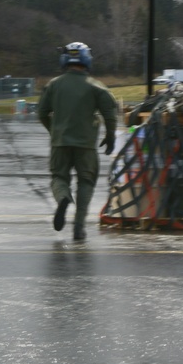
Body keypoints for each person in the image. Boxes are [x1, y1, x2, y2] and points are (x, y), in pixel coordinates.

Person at [37, 41, 118, 239]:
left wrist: (54, 131)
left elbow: (41, 112)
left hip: (60, 143)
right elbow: (110, 114)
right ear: (87, 60)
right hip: (86, 145)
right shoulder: (97, 87)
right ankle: (78, 227)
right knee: (86, 182)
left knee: (58, 177)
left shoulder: (54, 85)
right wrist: (110, 136)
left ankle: (63, 198)